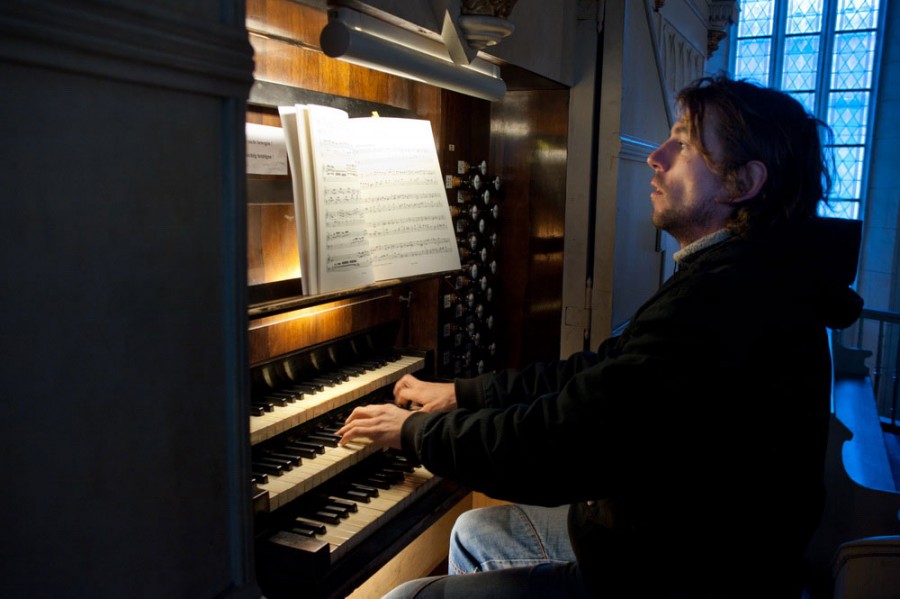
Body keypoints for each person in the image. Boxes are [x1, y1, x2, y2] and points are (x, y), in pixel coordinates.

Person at [337, 75, 863, 597]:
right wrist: (462, 394)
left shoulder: (724, 301)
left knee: (403, 596)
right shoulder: (743, 272)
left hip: (679, 573)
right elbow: (601, 371)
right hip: (686, 541)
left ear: (741, 184)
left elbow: (561, 442)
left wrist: (413, 433)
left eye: (683, 144)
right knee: (476, 530)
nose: (655, 157)